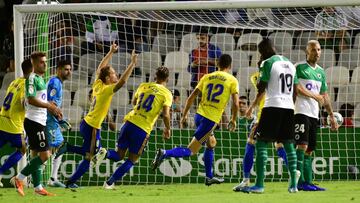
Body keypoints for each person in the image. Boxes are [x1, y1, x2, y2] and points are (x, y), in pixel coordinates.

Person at [241, 39, 323, 194]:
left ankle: (259, 185)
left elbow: (261, 88)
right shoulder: (290, 64)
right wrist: (291, 106)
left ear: (262, 52)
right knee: (289, 146)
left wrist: (252, 106)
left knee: (261, 144)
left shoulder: (267, 63)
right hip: (288, 108)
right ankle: (293, 185)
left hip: (272, 106)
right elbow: (295, 90)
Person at [55, 43, 138, 188]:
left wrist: (111, 52)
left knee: (89, 153)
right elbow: (123, 81)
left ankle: (68, 150)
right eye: (112, 73)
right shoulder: (106, 90)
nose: (115, 75)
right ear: (107, 78)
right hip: (93, 127)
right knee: (91, 157)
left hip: (86, 123)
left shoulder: (98, 84)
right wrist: (132, 63)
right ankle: (71, 180)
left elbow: (100, 67)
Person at [152, 54, 239, 186]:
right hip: (210, 120)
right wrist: (233, 119)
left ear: (217, 65)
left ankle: (209, 177)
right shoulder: (232, 80)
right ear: (230, 66)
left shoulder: (207, 77)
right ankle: (164, 153)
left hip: (199, 115)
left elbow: (191, 97)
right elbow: (236, 104)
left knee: (211, 143)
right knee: (191, 151)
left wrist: (185, 115)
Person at [93, 66, 172, 189]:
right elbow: (166, 115)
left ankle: (105, 153)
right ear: (167, 79)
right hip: (142, 128)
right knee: (132, 160)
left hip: (129, 122)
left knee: (119, 155)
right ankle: (109, 183)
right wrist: (167, 128)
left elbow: (134, 102)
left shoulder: (143, 86)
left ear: (155, 76)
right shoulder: (167, 93)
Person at [11, 52, 62, 196]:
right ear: (33, 64)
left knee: (35, 155)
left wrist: (52, 106)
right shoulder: (32, 78)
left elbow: (40, 99)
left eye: (45, 61)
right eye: (41, 62)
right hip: (34, 122)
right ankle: (19, 178)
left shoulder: (40, 78)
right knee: (45, 155)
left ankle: (38, 187)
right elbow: (31, 99)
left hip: (39, 121)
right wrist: (50, 107)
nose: (44, 64)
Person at [233, 71, 290, 191]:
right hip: (282, 115)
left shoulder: (257, 76)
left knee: (251, 143)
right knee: (279, 145)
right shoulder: (284, 75)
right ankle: (293, 174)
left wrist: (252, 107)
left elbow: (261, 92)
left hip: (265, 115)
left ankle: (246, 180)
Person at [294, 40, 339, 191]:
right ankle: (299, 182)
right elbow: (297, 88)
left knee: (310, 148)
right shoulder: (299, 67)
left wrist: (331, 115)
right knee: (302, 145)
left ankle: (308, 181)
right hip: (300, 111)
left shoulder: (321, 72)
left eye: (319, 50)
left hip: (314, 114)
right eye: (314, 50)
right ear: (307, 51)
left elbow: (324, 96)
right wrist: (314, 96)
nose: (317, 52)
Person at [0, 59, 32, 188]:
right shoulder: (27, 85)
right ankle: (1, 172)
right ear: (32, 70)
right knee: (22, 149)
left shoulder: (15, 81)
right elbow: (24, 100)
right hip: (14, 126)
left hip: (2, 120)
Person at [45, 60, 72, 188]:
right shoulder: (55, 82)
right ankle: (28, 176)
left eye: (70, 69)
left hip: (51, 120)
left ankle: (52, 178)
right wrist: (60, 119)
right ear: (58, 69)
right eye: (66, 69)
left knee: (57, 147)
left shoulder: (57, 82)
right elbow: (51, 103)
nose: (69, 72)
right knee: (49, 150)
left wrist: (60, 118)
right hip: (49, 121)